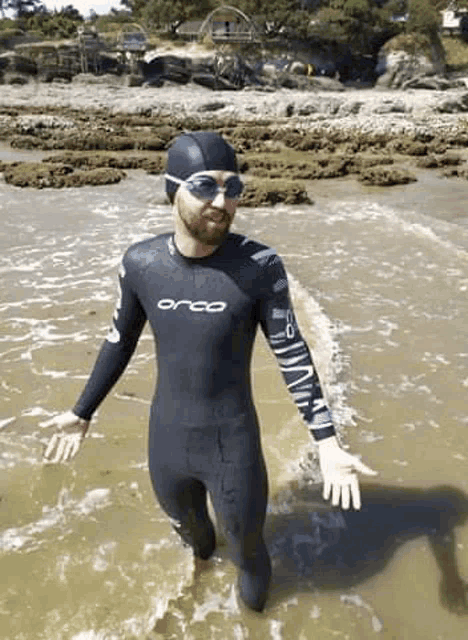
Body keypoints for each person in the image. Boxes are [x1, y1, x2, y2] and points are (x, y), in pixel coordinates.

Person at [41, 131, 377, 612]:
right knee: (196, 544)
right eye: (204, 187)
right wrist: (82, 412)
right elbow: (119, 339)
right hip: (167, 446)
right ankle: (198, 606)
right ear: (172, 189)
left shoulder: (260, 266)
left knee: (248, 552)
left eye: (233, 188)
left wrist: (326, 440)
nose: (222, 201)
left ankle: (251, 623)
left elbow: (291, 350)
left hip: (232, 446)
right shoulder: (142, 263)